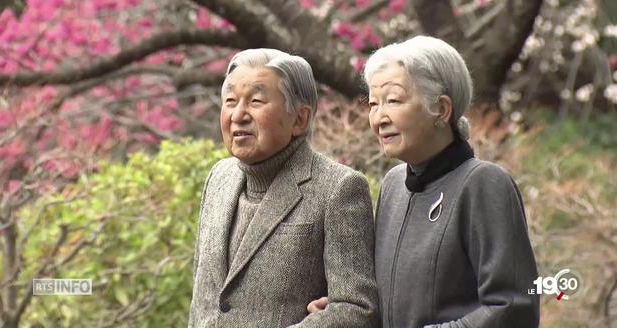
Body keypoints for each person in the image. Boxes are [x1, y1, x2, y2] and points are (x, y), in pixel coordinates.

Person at [307, 36, 540, 327]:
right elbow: (399, 302)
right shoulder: (394, 185)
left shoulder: (483, 183)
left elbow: (514, 307)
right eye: (373, 104)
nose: (378, 117)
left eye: (393, 101)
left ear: (441, 109)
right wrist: (347, 311)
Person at [188, 48, 379, 327]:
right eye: (230, 101)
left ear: (299, 119)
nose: (238, 115)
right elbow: (203, 302)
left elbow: (357, 308)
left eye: (255, 101)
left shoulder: (338, 189)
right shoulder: (219, 178)